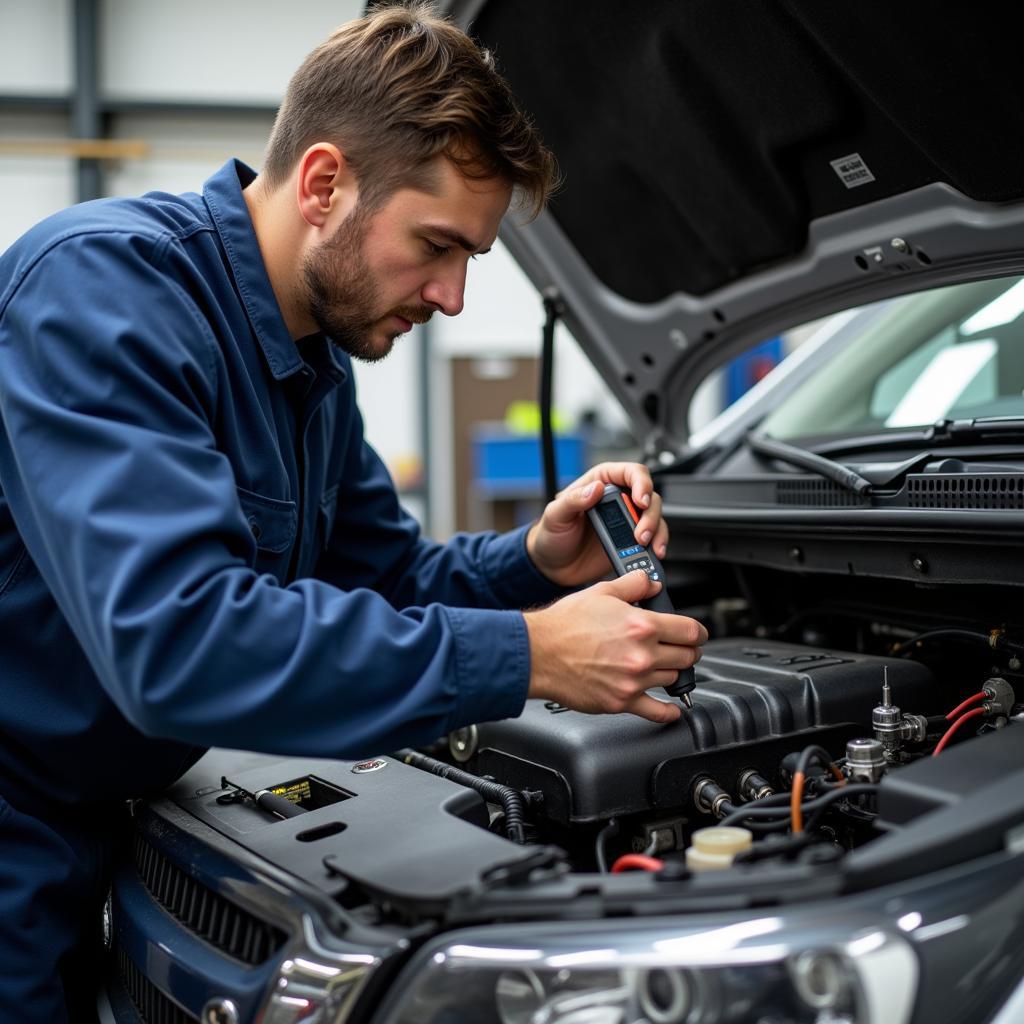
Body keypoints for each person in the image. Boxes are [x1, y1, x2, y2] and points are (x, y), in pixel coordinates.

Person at [0, 3, 706, 1020]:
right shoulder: (103, 291)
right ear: (325, 182)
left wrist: (534, 565)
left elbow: (387, 578)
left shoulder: (311, 362)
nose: (455, 297)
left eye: (472, 259)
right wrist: (531, 655)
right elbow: (180, 642)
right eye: (436, 245)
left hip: (107, 809)